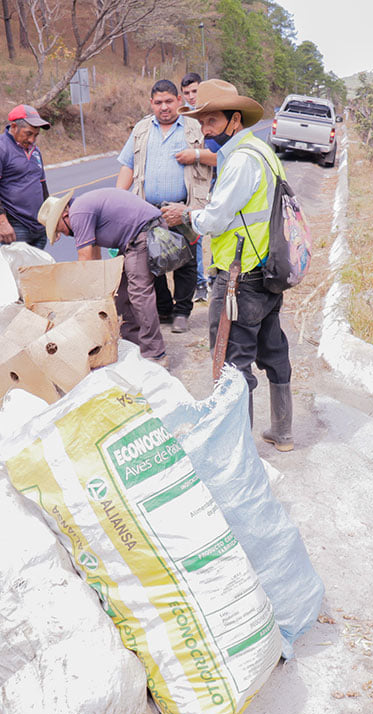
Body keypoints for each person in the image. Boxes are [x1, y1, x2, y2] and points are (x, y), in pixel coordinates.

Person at [160, 80, 295, 452]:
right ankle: (282, 432)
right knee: (273, 350)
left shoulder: (240, 161)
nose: (205, 130)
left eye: (213, 121)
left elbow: (216, 220)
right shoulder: (262, 150)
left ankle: (239, 450)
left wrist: (187, 215)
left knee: (232, 364)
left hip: (239, 278)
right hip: (268, 271)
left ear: (235, 120)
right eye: (202, 122)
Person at [116, 79, 211, 334]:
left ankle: (182, 311)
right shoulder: (141, 129)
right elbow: (128, 165)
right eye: (158, 102)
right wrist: (118, 199)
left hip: (184, 207)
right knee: (151, 260)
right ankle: (164, 308)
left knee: (186, 262)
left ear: (179, 100)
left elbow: (219, 157)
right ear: (151, 103)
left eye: (169, 101)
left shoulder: (194, 126)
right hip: (148, 210)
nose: (164, 107)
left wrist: (196, 155)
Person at [37, 188, 168, 366]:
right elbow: (94, 257)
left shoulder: (78, 213)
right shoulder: (82, 210)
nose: (66, 234)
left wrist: (84, 297)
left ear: (64, 215)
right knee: (120, 291)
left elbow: (85, 258)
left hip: (143, 233)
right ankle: (134, 344)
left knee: (139, 293)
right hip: (133, 239)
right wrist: (98, 287)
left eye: (60, 229)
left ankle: (156, 353)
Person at [0, 104, 53, 249]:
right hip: (15, 225)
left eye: (36, 135)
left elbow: (42, 186)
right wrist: (2, 222)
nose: (32, 140)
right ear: (14, 127)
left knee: (38, 264)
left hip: (39, 226)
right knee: (18, 264)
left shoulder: (35, 151)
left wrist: (50, 221)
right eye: (28, 134)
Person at [175, 72, 217, 304]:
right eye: (187, 93)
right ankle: (199, 282)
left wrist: (196, 155)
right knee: (194, 232)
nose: (191, 96)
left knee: (217, 230)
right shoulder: (183, 121)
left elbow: (220, 156)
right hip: (195, 186)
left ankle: (214, 278)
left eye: (195, 91)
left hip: (217, 182)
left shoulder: (214, 117)